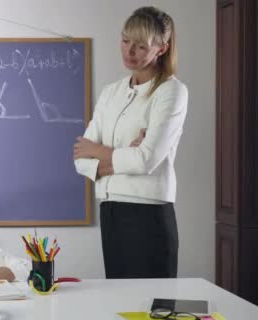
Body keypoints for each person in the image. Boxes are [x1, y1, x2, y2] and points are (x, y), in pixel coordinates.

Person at [73, 6, 187, 279]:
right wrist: (125, 156)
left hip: (149, 215)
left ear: (161, 48)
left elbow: (146, 159)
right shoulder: (111, 92)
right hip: (111, 211)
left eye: (140, 45)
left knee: (153, 308)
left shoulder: (171, 91)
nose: (129, 51)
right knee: (119, 306)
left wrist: (100, 153)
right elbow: (80, 158)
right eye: (125, 41)